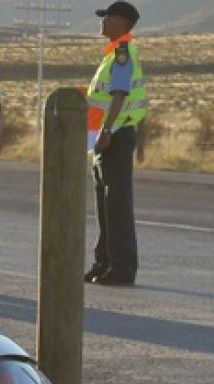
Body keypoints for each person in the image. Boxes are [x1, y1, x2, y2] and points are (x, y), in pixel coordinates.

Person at [84, 1, 148, 286]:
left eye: (107, 17)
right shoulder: (112, 54)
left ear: (122, 22)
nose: (103, 21)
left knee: (117, 203)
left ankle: (121, 268)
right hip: (106, 135)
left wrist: (106, 130)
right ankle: (104, 262)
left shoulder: (122, 53)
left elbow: (119, 95)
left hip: (116, 135)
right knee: (105, 202)